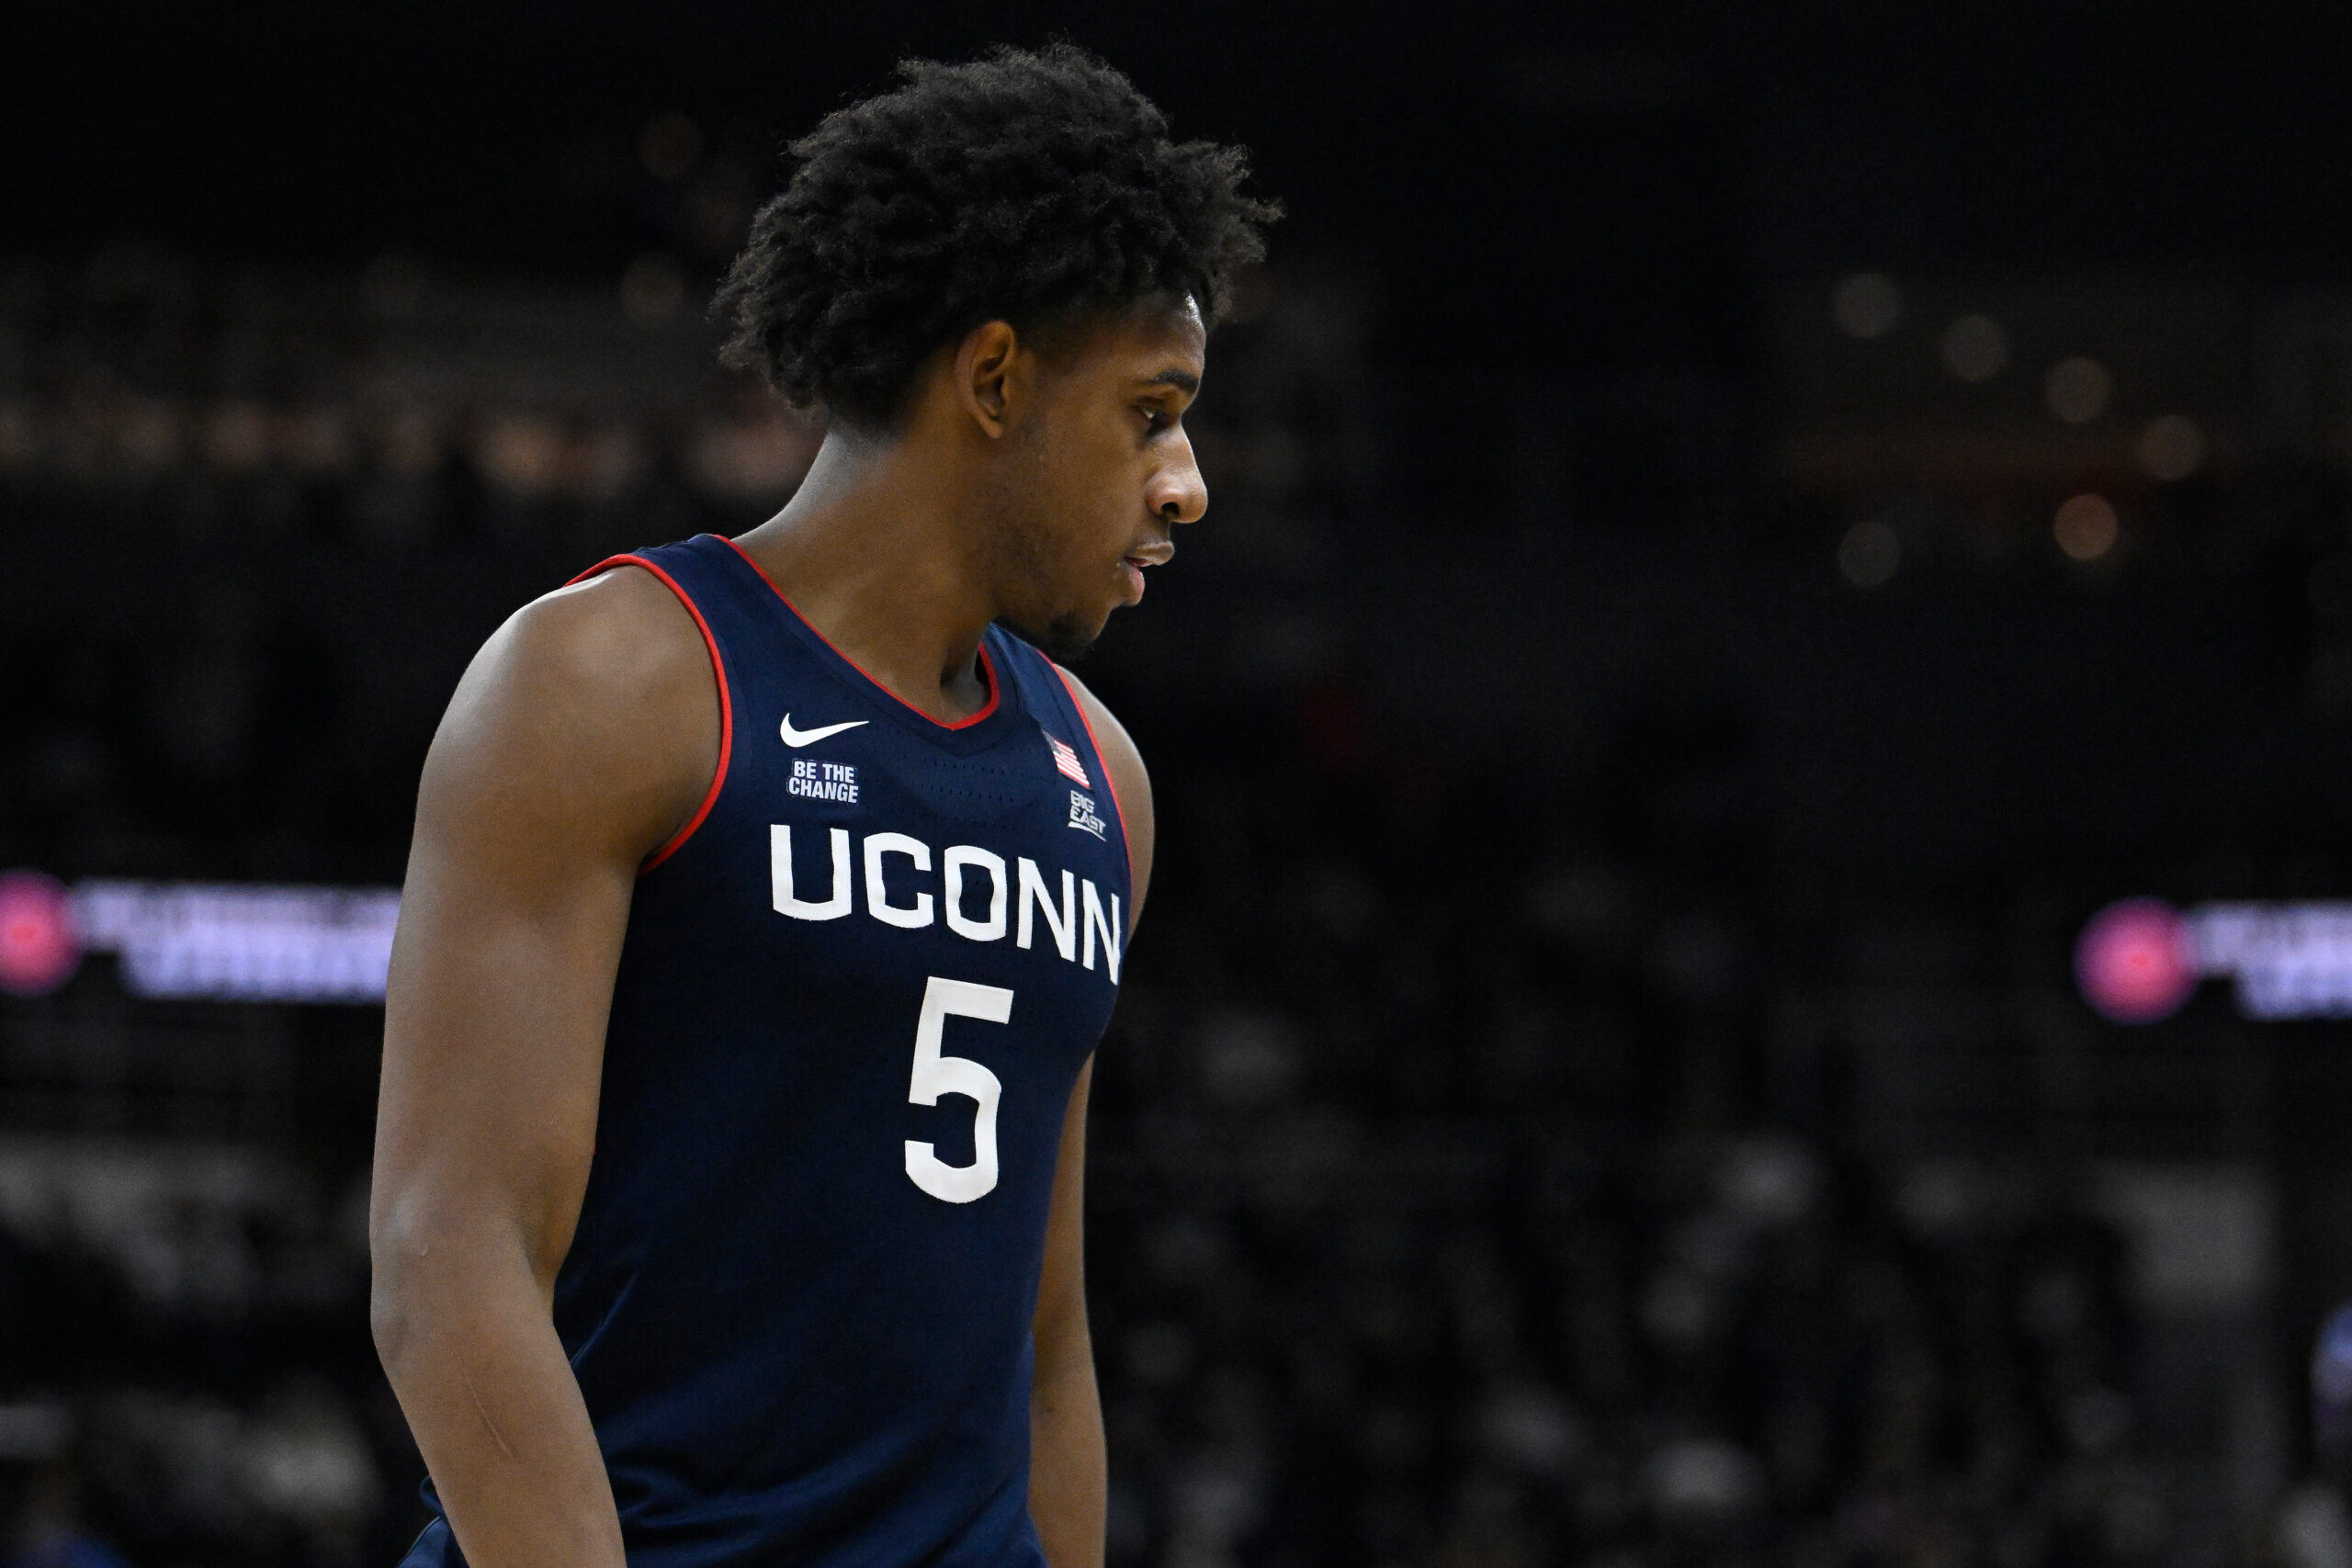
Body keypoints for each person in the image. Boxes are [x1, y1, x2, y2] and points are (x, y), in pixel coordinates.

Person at [368, 43, 1276, 1568]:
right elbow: (449, 1257)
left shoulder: (1099, 780)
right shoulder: (613, 679)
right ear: (995, 379)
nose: (1185, 483)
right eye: (1150, 413)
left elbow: (1048, 1347)